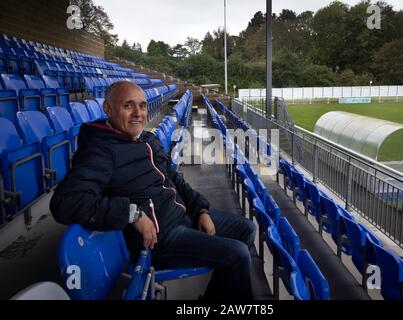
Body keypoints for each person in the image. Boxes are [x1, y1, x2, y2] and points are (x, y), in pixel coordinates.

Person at [50, 81, 256, 300]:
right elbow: (65, 203)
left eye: (142, 106)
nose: (138, 113)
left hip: (182, 215)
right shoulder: (100, 150)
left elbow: (174, 179)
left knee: (246, 229)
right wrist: (132, 213)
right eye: (128, 106)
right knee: (237, 255)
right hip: (161, 238)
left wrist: (201, 210)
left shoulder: (148, 139)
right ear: (108, 109)